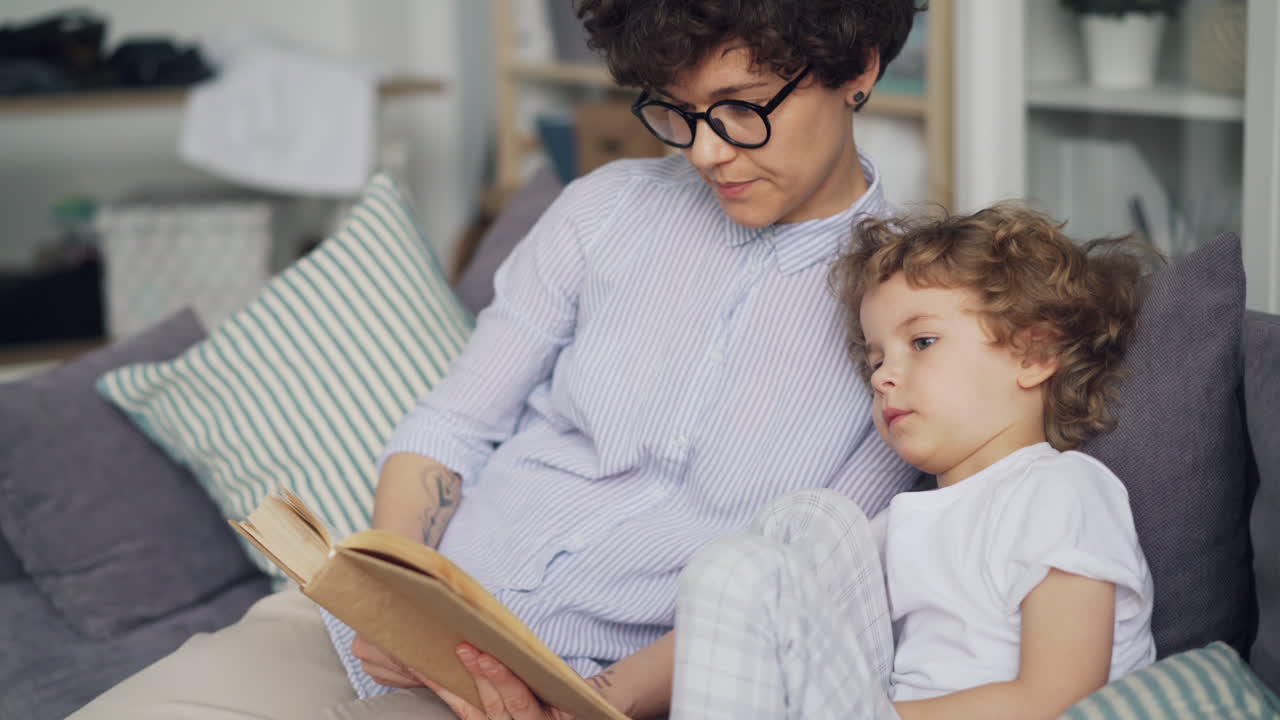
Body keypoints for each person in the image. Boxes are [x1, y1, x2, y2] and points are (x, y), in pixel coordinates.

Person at [71, 1, 924, 719]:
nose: (705, 150)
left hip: (568, 686)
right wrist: (388, 593)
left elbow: (804, 571)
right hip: (367, 624)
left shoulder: (922, 311)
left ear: (859, 67)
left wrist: (589, 700)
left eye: (741, 107)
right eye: (679, 110)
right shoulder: (605, 212)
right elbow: (450, 425)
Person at [650, 204, 1158, 719]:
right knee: (804, 520)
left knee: (736, 568)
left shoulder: (1063, 490)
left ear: (1033, 354)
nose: (882, 377)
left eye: (922, 342)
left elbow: (1059, 697)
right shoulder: (905, 523)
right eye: (876, 360)